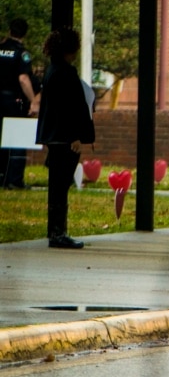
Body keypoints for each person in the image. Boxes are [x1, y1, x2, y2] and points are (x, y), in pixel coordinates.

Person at [35, 28, 94, 249]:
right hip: (66, 137)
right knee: (61, 185)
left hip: (53, 135)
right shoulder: (67, 73)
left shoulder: (51, 71)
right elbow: (73, 108)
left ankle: (55, 231)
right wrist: (77, 136)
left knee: (57, 185)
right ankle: (59, 232)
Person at [0, 18, 38, 189]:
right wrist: (33, 101)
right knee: (16, 139)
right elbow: (23, 79)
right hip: (13, 101)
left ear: (9, 30)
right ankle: (14, 180)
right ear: (25, 33)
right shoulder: (22, 54)